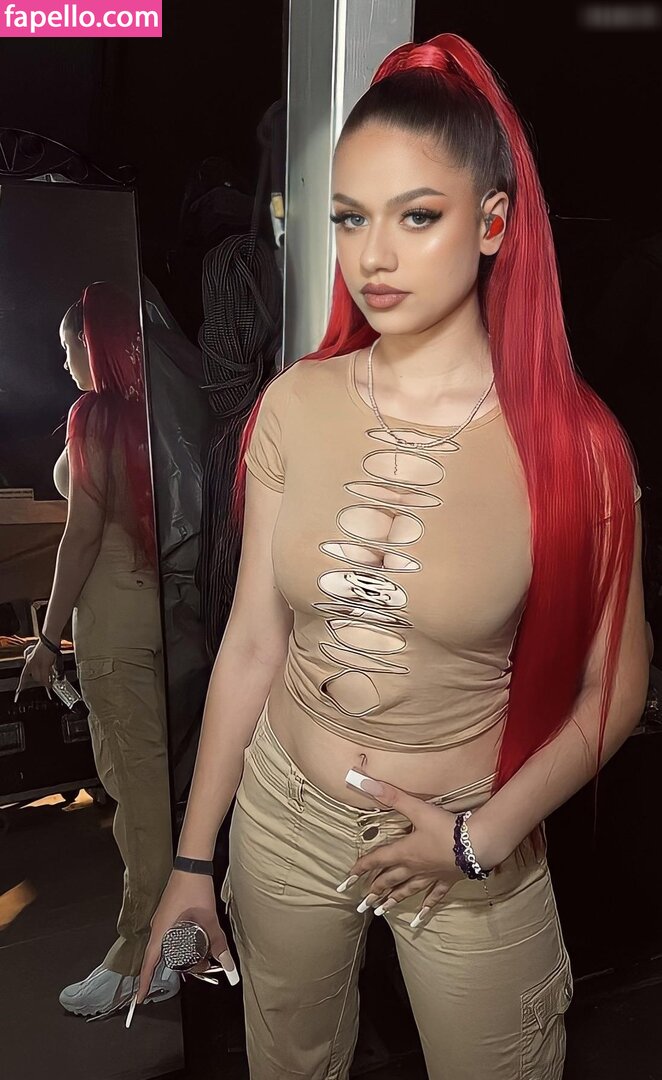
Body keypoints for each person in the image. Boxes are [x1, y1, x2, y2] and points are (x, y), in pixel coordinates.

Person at [137, 34, 649, 1079]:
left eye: (416, 216)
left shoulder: (575, 446)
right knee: (290, 1062)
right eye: (349, 217)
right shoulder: (297, 401)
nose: (372, 256)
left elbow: (615, 687)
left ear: (492, 224)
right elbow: (252, 643)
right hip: (284, 810)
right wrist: (192, 859)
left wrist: (478, 839)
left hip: (470, 832)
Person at [18, 281, 178, 1018]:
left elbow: (80, 536)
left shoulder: (96, 415)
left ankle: (138, 956)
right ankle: (174, 941)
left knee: (136, 803)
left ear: (93, 342)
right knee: (156, 791)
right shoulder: (159, 414)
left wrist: (46, 640)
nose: (65, 366)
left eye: (67, 349)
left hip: (111, 631)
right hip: (159, 620)